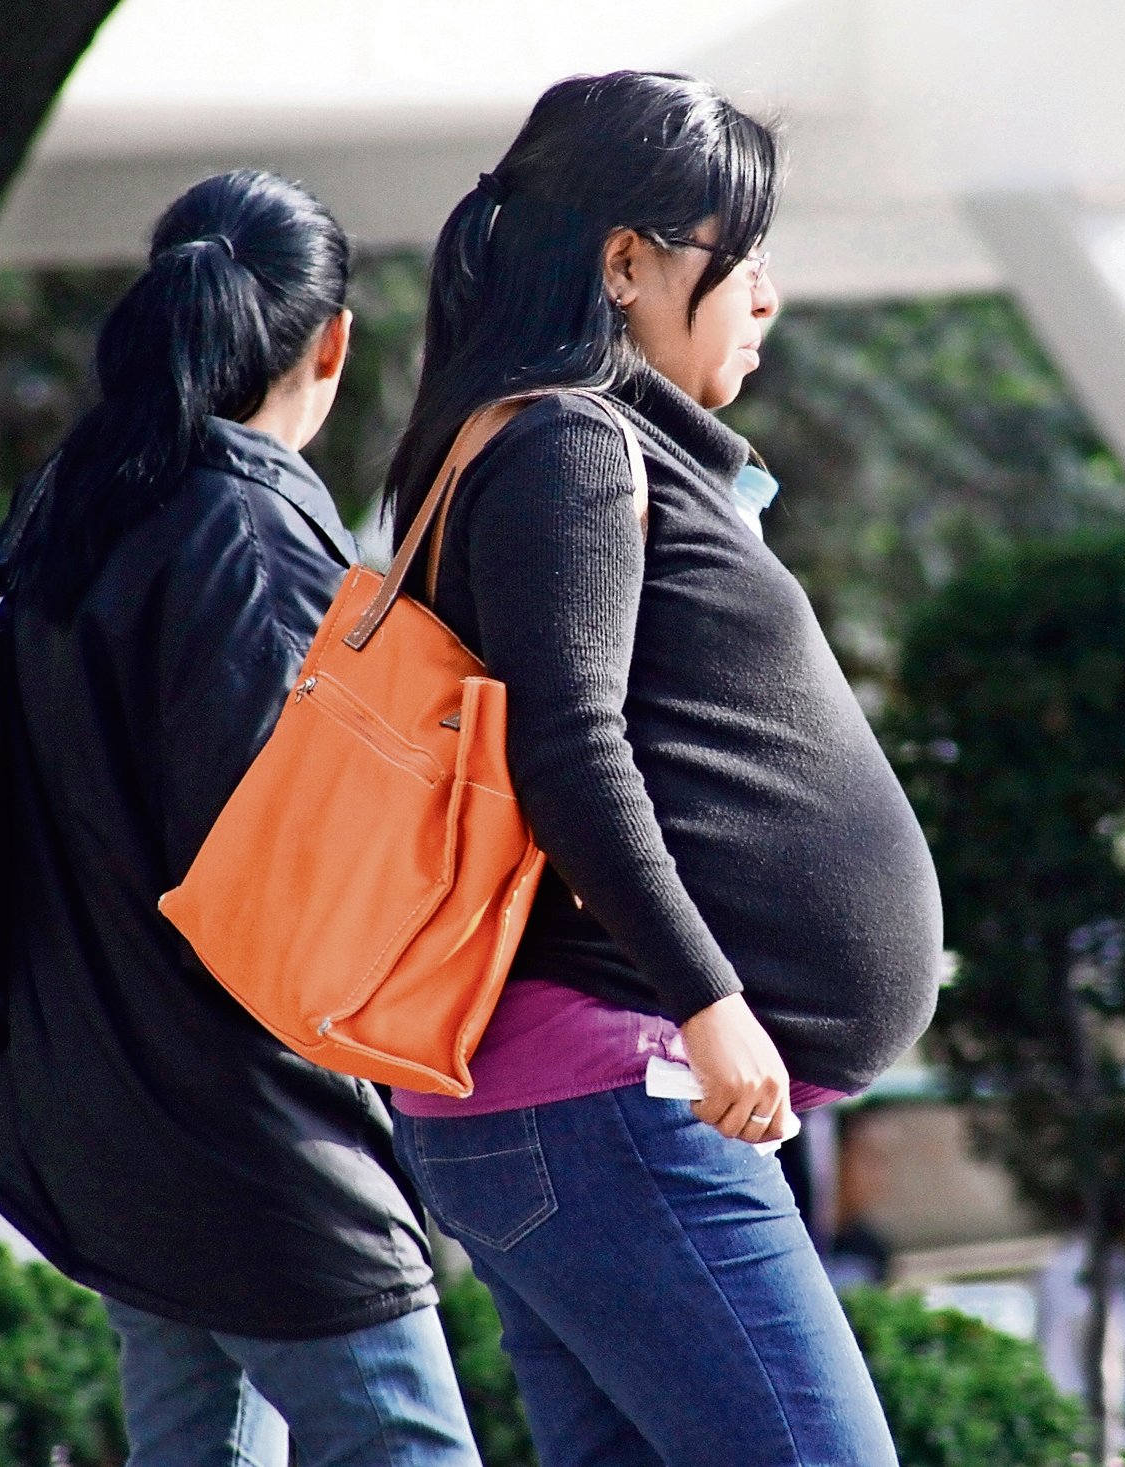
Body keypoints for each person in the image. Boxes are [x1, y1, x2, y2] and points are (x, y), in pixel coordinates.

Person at [383, 73, 946, 1466]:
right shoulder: (570, 441)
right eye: (739, 260)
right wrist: (711, 1004)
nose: (766, 299)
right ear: (626, 263)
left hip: (582, 1106)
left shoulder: (559, 438)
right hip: (615, 1093)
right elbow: (568, 746)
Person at [0, 171, 480, 1467]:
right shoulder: (246, 531)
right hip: (248, 1133)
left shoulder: (66, 512)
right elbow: (284, 872)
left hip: (105, 1102)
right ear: (330, 342)